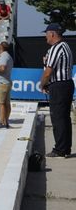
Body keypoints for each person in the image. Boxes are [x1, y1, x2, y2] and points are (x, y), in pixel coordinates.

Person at [40, 23, 74, 158]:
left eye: (46, 34)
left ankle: (59, 149)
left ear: (52, 34)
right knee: (65, 118)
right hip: (66, 84)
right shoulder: (66, 46)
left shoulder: (56, 48)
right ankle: (65, 148)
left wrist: (42, 84)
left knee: (58, 118)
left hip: (59, 86)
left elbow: (48, 71)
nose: (45, 37)